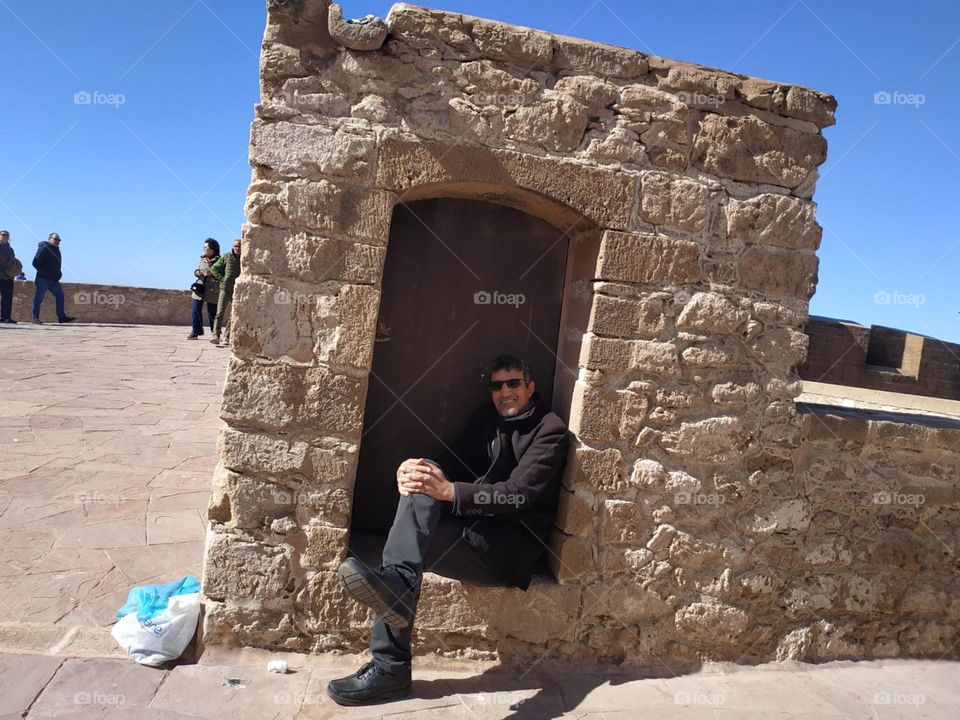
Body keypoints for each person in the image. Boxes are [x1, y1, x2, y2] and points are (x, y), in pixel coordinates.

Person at [326, 354, 570, 706]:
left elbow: (518, 495)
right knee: (423, 483)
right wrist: (414, 471)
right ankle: (394, 599)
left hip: (502, 550)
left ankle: (390, 666)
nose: (505, 392)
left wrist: (450, 492)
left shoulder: (550, 430)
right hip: (468, 531)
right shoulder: (485, 419)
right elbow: (449, 464)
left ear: (530, 387)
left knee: (405, 549)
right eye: (497, 386)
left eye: (513, 383)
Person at [31, 232, 74, 324]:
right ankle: (35, 318)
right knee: (39, 298)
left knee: (60, 296)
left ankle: (61, 317)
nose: (57, 241)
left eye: (59, 240)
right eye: (55, 239)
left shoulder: (57, 250)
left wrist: (58, 274)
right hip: (43, 279)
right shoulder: (44, 248)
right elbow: (35, 263)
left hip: (54, 280)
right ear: (49, 239)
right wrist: (45, 272)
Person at [208, 237, 241, 346]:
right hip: (225, 289)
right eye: (236, 246)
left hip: (238, 291)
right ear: (233, 246)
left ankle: (227, 336)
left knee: (234, 314)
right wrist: (222, 278)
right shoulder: (226, 256)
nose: (238, 248)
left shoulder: (244, 258)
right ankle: (215, 336)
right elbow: (213, 269)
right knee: (219, 312)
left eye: (240, 246)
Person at [187, 238, 221, 340]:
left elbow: (222, 274)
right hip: (199, 288)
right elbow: (198, 269)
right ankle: (195, 331)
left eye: (206, 247)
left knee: (212, 313)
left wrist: (211, 273)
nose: (204, 249)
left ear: (213, 249)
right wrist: (196, 272)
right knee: (195, 309)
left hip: (212, 289)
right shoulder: (202, 259)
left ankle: (215, 333)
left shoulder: (220, 260)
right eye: (204, 247)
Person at [0, 229, 20, 323]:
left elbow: (12, 262)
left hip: (8, 277)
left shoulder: (10, 249)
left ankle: (6, 317)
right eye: (3, 234)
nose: (4, 236)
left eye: (7, 235)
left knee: (7, 298)